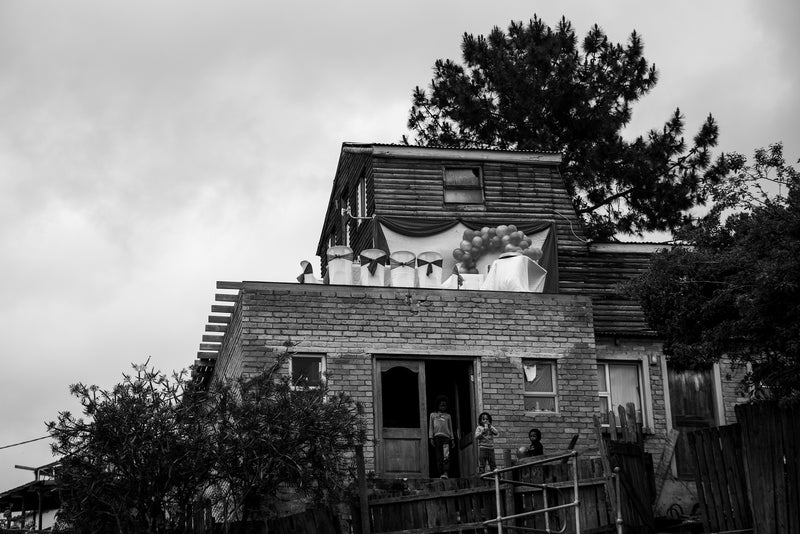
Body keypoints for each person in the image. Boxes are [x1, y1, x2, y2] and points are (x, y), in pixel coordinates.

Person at [428, 395, 455, 478]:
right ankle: (440, 473)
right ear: (437, 405)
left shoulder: (448, 416)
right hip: (437, 438)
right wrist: (431, 437)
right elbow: (431, 427)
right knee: (439, 456)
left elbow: (450, 428)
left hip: (446, 438)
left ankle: (446, 472)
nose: (443, 407)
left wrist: (452, 439)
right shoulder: (433, 415)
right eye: (441, 405)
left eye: (445, 405)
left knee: (446, 456)